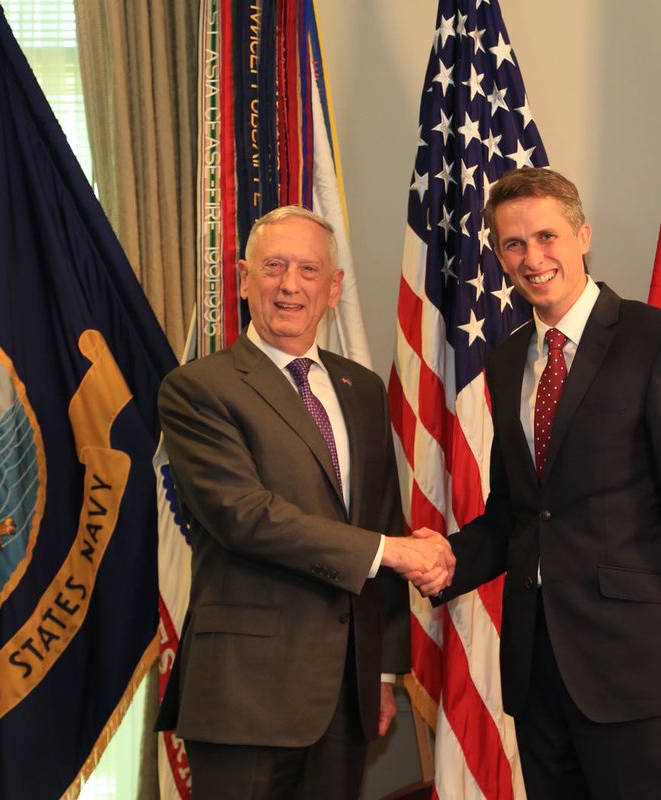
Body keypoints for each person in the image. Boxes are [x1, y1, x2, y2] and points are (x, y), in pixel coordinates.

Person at [425, 168, 661, 799]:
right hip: (537, 673)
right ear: (500, 257)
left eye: (546, 236)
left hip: (635, 673)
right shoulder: (507, 361)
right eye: (514, 244)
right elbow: (518, 514)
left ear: (582, 236)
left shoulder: (656, 340)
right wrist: (442, 561)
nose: (532, 258)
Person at [156, 206, 454, 800]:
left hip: (346, 694)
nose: (290, 285)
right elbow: (245, 517)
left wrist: (383, 672)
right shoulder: (197, 389)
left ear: (333, 288)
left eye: (309, 270)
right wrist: (391, 551)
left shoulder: (361, 389)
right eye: (273, 267)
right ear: (244, 279)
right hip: (245, 696)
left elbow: (380, 518)